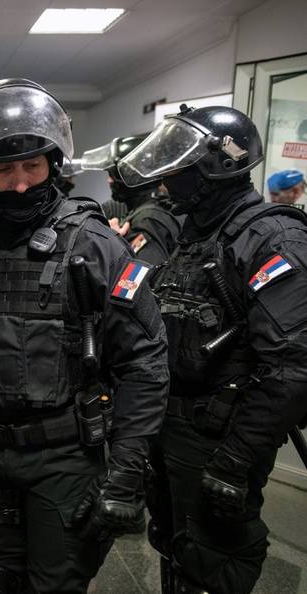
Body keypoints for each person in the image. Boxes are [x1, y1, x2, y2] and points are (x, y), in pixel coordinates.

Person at [0, 79, 169, 593]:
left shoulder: (93, 243)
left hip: (64, 456)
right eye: (4, 169)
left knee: (56, 583)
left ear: (53, 162)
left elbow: (144, 360)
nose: (21, 183)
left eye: (33, 165)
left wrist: (125, 471)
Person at [117, 105, 307, 594]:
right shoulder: (192, 232)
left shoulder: (272, 237)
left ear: (216, 168)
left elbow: (291, 368)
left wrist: (235, 461)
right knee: (176, 544)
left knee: (214, 559)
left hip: (219, 436)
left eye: (179, 168)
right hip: (171, 427)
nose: (167, 181)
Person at [79, 134, 181, 266]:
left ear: (130, 175)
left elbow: (141, 279)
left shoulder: (148, 219)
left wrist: (113, 243)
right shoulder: (154, 207)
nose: (109, 180)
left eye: (112, 174)